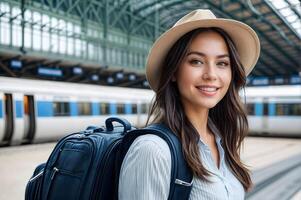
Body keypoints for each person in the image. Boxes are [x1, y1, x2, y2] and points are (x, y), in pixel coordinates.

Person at [118, 9, 260, 200]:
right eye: (196, 61)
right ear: (174, 71)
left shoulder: (221, 139)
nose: (211, 74)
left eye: (222, 63)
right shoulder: (153, 150)